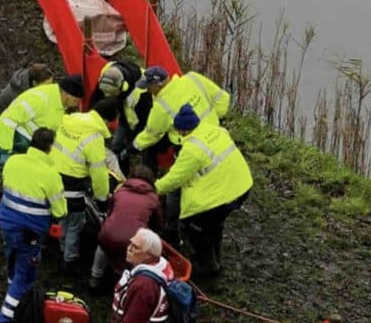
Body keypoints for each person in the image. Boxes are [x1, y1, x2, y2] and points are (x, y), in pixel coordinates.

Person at [133, 66, 230, 246]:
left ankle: (172, 229)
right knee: (212, 176)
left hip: (190, 144)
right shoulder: (194, 78)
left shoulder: (162, 105)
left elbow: (152, 134)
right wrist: (216, 118)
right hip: (215, 136)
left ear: (158, 85)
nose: (147, 90)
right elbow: (222, 98)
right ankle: (210, 223)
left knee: (177, 189)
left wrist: (135, 145)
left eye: (149, 87)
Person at [155, 104, 253, 276]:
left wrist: (151, 188)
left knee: (193, 224)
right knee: (215, 222)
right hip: (241, 186)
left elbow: (174, 179)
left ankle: (208, 264)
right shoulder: (216, 130)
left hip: (224, 194)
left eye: (179, 131)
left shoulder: (192, 149)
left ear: (184, 130)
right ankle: (217, 255)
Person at [0, 128, 67, 323]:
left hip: (7, 223)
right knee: (25, 276)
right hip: (31, 232)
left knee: (13, 255)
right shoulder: (51, 174)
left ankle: (11, 285)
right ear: (50, 148)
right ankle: (5, 321)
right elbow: (60, 210)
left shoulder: (13, 161)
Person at [50, 97, 118, 273]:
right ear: (106, 120)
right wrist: (102, 198)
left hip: (51, 181)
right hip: (73, 190)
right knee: (74, 224)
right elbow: (99, 175)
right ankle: (69, 259)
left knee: (60, 217)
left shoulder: (69, 120)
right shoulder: (94, 138)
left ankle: (59, 245)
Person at [89, 165, 163, 289]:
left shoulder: (120, 192)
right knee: (139, 253)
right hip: (131, 240)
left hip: (108, 235)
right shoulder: (153, 198)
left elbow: (110, 212)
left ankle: (95, 277)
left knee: (102, 247)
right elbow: (158, 223)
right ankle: (129, 282)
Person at [0, 74, 84, 167]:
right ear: (66, 93)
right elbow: (8, 121)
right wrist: (5, 152)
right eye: (75, 101)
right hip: (7, 142)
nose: (75, 105)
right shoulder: (39, 99)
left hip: (24, 143)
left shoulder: (60, 106)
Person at [108, 228, 174, 323]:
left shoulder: (143, 286)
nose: (129, 249)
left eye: (135, 247)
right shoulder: (161, 263)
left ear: (148, 256)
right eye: (130, 244)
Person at [93, 61, 153, 174]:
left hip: (142, 123)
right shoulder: (107, 73)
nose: (109, 97)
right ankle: (121, 177)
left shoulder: (142, 92)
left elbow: (144, 123)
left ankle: (147, 179)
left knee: (146, 152)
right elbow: (97, 98)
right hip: (125, 117)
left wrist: (130, 145)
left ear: (123, 87)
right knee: (117, 145)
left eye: (112, 93)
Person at [0, 63, 54, 148]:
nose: (50, 88)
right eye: (46, 85)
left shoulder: (27, 81)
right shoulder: (20, 95)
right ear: (34, 83)